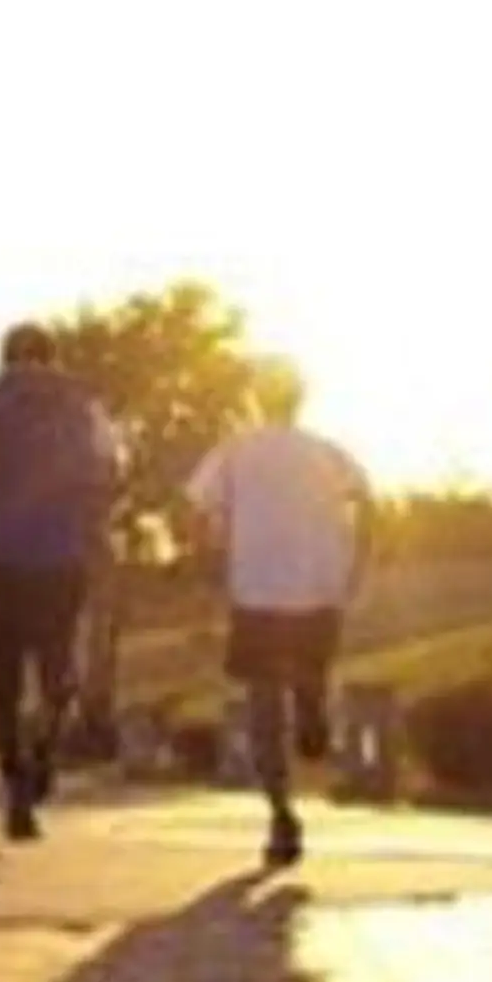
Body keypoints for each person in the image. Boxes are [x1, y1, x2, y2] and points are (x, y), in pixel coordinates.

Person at [186, 370, 371, 869]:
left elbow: (199, 509)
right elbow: (366, 499)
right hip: (317, 589)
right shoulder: (327, 452)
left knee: (264, 713)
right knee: (309, 676)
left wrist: (206, 567)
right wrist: (358, 562)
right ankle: (312, 707)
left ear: (254, 401)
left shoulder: (234, 453)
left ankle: (281, 815)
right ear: (301, 400)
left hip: (256, 593)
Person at [0, 323, 119, 841]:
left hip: (0, 555)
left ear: (7, 356)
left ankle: (15, 791)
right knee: (55, 672)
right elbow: (108, 468)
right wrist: (92, 521)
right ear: (52, 356)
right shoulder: (83, 404)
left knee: (5, 682)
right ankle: (44, 751)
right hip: (61, 555)